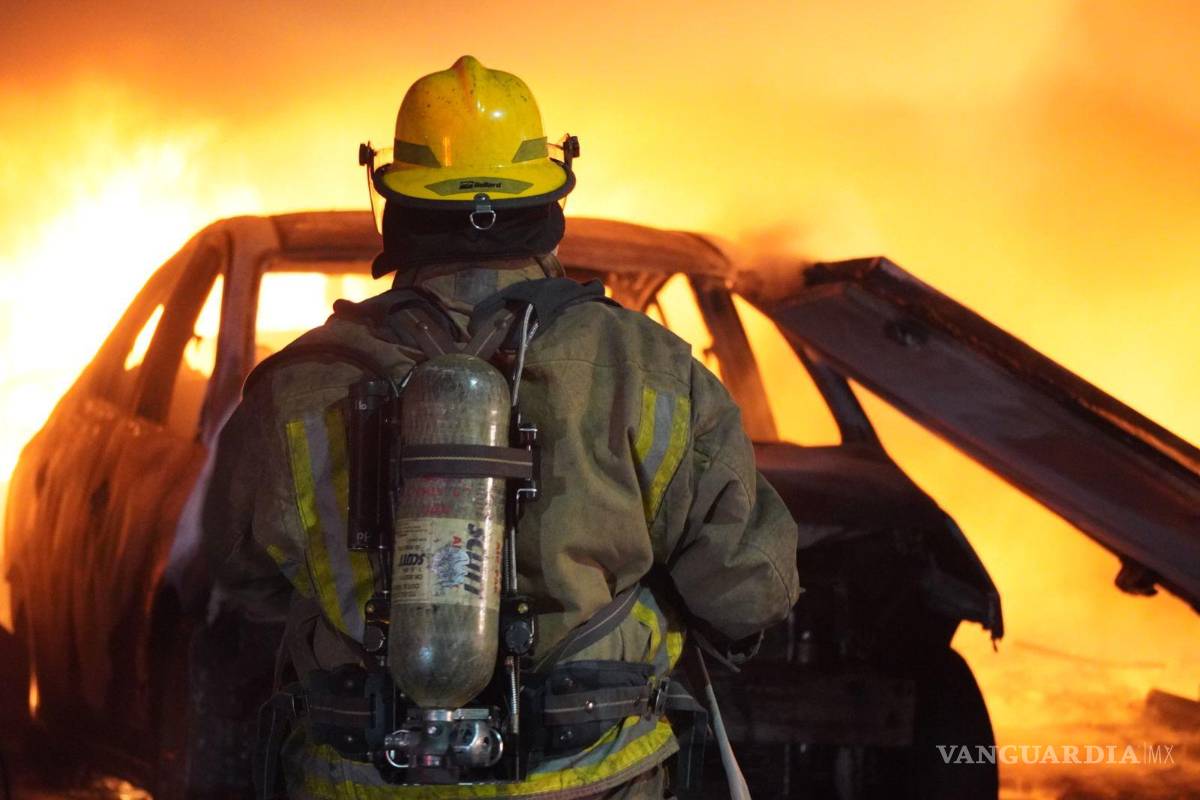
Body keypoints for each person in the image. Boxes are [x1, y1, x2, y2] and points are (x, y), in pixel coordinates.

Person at [204, 55, 799, 800]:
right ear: (550, 204)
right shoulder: (647, 369)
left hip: (360, 777)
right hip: (592, 782)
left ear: (393, 203)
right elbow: (749, 590)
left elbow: (240, 576)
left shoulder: (294, 388)